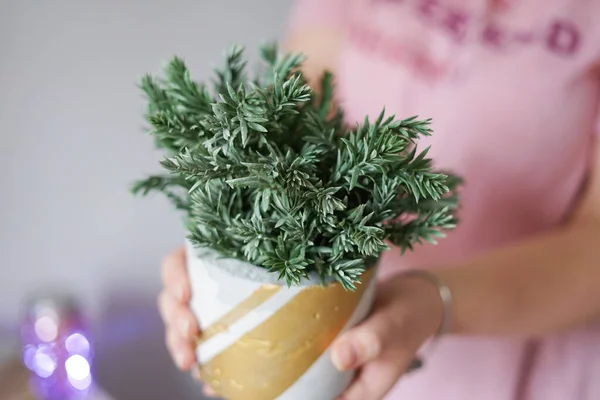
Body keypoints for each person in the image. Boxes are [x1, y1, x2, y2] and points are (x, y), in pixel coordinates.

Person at [157, 0, 600, 399]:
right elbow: (293, 109)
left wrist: (432, 303)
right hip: (334, 342)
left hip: (516, 372)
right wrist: (223, 263)